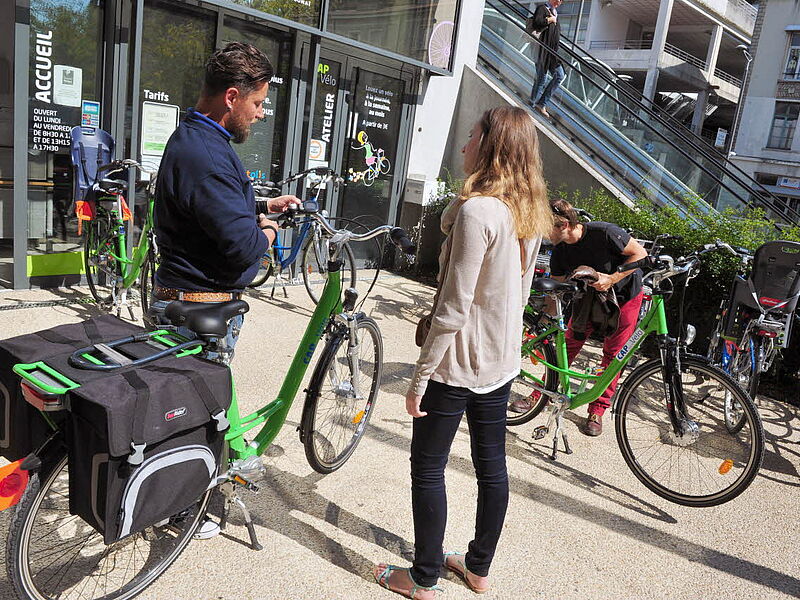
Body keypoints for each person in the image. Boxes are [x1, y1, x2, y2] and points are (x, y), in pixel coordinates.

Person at [373, 106, 552, 599]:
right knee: (491, 465)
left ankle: (424, 576)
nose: (463, 145)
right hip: (500, 364)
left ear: (490, 146)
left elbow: (454, 307)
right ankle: (477, 567)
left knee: (428, 466)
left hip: (458, 364)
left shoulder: (479, 212)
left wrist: (418, 377)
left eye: (471, 136)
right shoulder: (528, 211)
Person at [149, 41, 298, 361]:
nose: (260, 113)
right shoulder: (210, 157)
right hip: (198, 312)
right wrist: (270, 230)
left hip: (185, 301)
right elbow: (245, 247)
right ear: (231, 97)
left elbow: (203, 209)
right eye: (258, 103)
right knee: (200, 408)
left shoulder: (191, 136)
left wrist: (262, 207)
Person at [511, 199, 647, 436]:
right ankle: (541, 394)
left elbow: (640, 254)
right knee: (569, 345)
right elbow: (557, 289)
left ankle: (598, 409)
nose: (542, 232)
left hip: (624, 297)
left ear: (564, 224)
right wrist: (545, 322)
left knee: (614, 356)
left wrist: (611, 279)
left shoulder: (605, 233)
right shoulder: (560, 251)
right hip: (587, 298)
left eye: (546, 227)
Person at [528, 0, 565, 119]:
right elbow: (537, 22)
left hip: (552, 53)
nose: (559, 2)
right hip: (542, 50)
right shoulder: (542, 8)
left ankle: (541, 102)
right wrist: (550, 20)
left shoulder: (556, 14)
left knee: (560, 75)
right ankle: (532, 104)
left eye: (561, 0)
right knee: (541, 78)